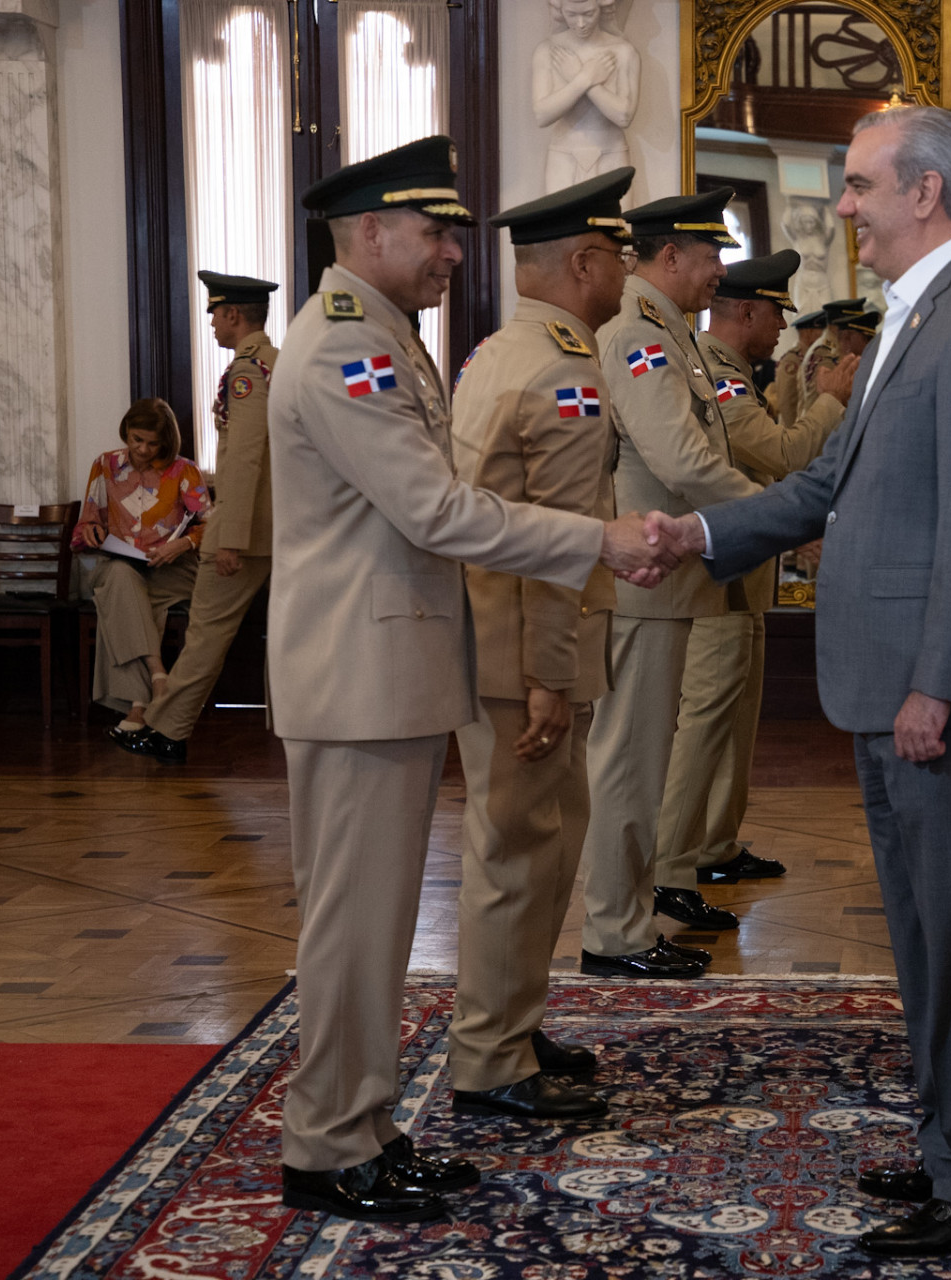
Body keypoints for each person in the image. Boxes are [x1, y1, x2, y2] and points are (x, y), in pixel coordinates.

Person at [654, 104, 951, 1258]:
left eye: (860, 184)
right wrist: (694, 533)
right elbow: (823, 484)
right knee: (924, 934)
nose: (844, 207)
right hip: (889, 685)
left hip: (935, 695)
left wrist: (939, 684)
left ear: (925, 191)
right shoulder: (915, 315)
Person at [268, 136, 676, 1224]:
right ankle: (329, 1142)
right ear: (369, 232)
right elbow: (435, 510)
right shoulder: (344, 347)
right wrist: (595, 540)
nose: (455, 251)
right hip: (359, 674)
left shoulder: (384, 336)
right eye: (435, 231)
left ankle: (360, 1124)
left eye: (454, 232)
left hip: (386, 670)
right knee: (354, 925)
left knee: (375, 922)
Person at [444, 168, 640, 1125]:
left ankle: (511, 1026)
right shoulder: (564, 369)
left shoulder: (498, 349)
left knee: (533, 848)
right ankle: (490, 1056)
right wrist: (551, 680)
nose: (627, 275)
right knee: (521, 854)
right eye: (621, 258)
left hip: (492, 636)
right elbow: (557, 542)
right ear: (586, 262)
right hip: (523, 650)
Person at [579, 187, 762, 976]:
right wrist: (774, 517)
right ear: (669, 255)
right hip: (644, 585)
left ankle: (628, 919)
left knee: (644, 762)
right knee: (628, 762)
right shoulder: (637, 336)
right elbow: (681, 461)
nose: (720, 270)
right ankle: (613, 934)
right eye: (712, 254)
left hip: (669, 582)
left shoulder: (670, 335)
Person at [655, 252, 855, 897]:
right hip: (717, 569)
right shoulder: (718, 375)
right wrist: (831, 402)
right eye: (775, 313)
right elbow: (784, 454)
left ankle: (714, 843)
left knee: (736, 715)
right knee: (706, 719)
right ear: (746, 311)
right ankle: (671, 867)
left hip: (745, 569)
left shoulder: (733, 371)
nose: (781, 328)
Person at [118, 272, 280, 764]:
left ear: (233, 314)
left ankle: (166, 730)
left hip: (244, 531)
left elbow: (246, 458)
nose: (211, 324)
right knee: (214, 634)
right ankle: (164, 727)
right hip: (272, 526)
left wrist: (229, 537)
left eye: (214, 314)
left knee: (206, 633)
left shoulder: (248, 372)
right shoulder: (275, 362)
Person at [73, 400, 208, 735]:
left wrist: (182, 544)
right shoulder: (105, 465)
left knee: (122, 599)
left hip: (171, 569)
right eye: (137, 440)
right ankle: (158, 677)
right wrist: (90, 532)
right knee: (122, 579)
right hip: (119, 564)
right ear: (126, 432)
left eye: (153, 443)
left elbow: (212, 525)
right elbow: (85, 524)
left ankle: (138, 704)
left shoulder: (184, 470)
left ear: (166, 441)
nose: (143, 450)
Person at [532, 0, 639, 189]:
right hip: (563, 156)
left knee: (615, 209)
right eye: (572, 15)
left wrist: (583, 79)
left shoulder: (623, 51)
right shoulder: (548, 50)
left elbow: (623, 115)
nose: (580, 23)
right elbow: (542, 115)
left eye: (588, 14)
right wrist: (584, 79)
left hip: (612, 154)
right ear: (561, 11)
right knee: (562, 210)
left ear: (601, 8)